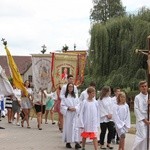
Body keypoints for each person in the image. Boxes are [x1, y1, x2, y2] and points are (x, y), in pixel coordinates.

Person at [60, 83, 81, 149]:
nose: (71, 88)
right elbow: (62, 105)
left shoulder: (76, 96)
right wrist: (68, 108)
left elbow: (79, 104)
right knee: (68, 128)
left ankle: (76, 142)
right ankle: (68, 142)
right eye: (69, 86)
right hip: (68, 114)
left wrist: (76, 108)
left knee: (76, 128)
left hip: (75, 114)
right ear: (67, 88)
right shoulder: (64, 97)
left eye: (72, 86)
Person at [132, 80, 150, 150]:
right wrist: (144, 120)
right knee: (142, 136)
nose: (144, 88)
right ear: (140, 88)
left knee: (148, 137)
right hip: (141, 120)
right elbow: (136, 110)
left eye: (145, 86)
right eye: (142, 86)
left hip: (149, 118)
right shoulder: (137, 97)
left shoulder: (149, 96)